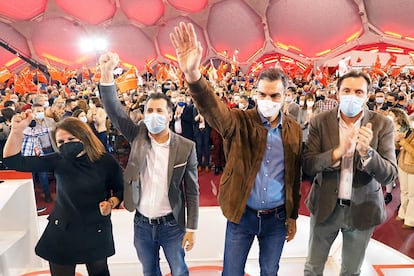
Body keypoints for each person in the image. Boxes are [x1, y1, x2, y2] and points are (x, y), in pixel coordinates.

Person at [170, 22, 301, 275]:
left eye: (275, 96)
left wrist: (292, 215)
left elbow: (293, 175)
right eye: (263, 95)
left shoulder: (294, 129)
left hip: (276, 218)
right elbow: (213, 110)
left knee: (270, 271)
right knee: (231, 271)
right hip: (242, 215)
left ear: (285, 96)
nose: (269, 101)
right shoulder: (239, 121)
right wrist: (194, 76)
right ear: (255, 94)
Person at [99, 52, 199, 276]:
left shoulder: (186, 147)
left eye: (159, 111)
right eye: (149, 111)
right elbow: (114, 110)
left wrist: (191, 228)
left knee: (179, 270)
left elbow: (192, 192)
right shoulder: (138, 136)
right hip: (142, 224)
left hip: (172, 224)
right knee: (149, 271)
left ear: (170, 115)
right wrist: (106, 73)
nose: (153, 115)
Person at [302, 71, 398, 275]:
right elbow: (309, 165)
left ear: (366, 95)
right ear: (337, 93)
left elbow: (389, 175)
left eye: (358, 92)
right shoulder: (320, 121)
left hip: (363, 209)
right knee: (313, 267)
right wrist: (337, 152)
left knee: (351, 271)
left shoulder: (382, 125)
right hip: (325, 206)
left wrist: (367, 153)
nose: (352, 96)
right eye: (346, 90)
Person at [3, 115, 123, 276]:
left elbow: (120, 189)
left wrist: (112, 202)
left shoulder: (105, 161)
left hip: (96, 228)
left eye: (71, 139)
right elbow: (13, 161)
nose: (66, 144)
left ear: (84, 137)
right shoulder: (58, 160)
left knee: (99, 271)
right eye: (61, 142)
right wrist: (16, 132)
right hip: (62, 229)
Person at [388, 108, 414, 229]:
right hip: (403, 164)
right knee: (404, 191)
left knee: (412, 195)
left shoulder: (408, 132)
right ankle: (402, 213)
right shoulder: (410, 131)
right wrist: (397, 141)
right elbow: (401, 146)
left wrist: (402, 141)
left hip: (412, 167)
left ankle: (410, 219)